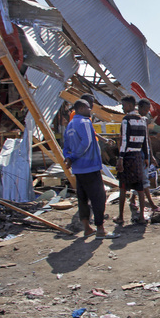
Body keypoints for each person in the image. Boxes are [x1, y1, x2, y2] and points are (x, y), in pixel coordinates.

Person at [63, 100, 118, 239]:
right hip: (90, 166)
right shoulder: (84, 122)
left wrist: (69, 158)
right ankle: (100, 229)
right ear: (81, 108)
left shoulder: (70, 125)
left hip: (78, 169)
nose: (90, 111)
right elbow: (87, 142)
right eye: (89, 108)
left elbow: (66, 146)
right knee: (98, 198)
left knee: (82, 198)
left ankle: (87, 228)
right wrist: (74, 156)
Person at [114, 96, 149, 226]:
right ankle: (141, 217)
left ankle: (121, 217)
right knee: (140, 188)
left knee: (123, 188)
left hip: (128, 156)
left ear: (129, 105)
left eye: (123, 105)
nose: (123, 108)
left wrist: (120, 158)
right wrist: (146, 157)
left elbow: (124, 140)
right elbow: (145, 141)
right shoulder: (142, 120)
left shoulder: (126, 120)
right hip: (138, 156)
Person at [129, 99, 160, 214]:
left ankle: (133, 199)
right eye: (145, 109)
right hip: (138, 153)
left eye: (148, 110)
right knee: (143, 179)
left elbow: (147, 138)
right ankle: (150, 204)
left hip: (145, 152)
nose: (147, 111)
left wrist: (151, 155)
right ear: (139, 107)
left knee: (142, 177)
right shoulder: (133, 120)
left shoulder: (144, 120)